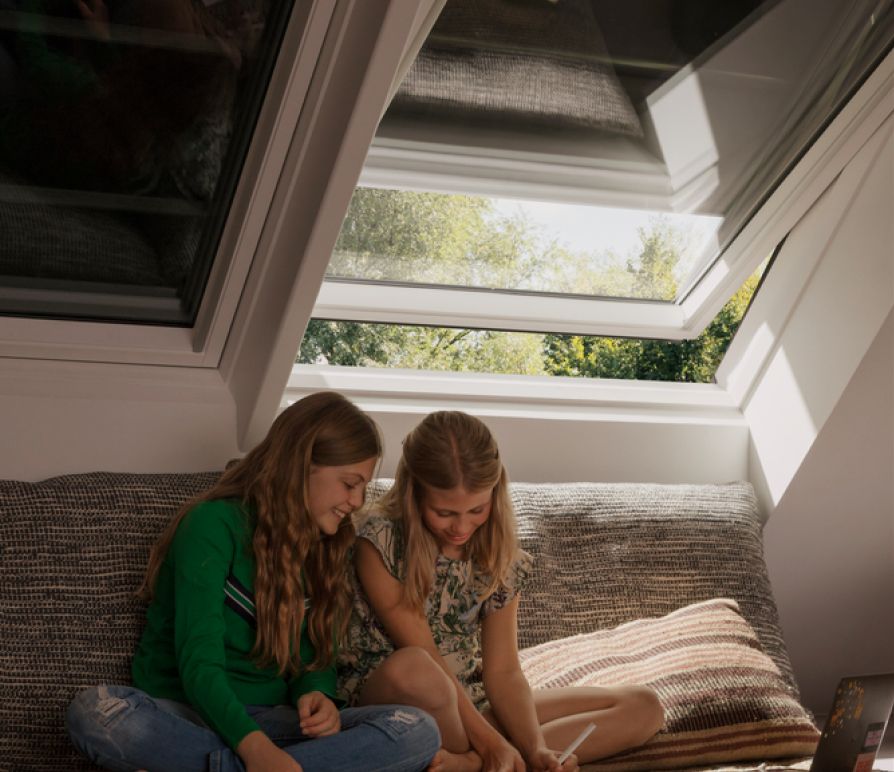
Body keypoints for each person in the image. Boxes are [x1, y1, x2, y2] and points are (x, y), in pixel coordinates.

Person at [66, 391, 441, 772]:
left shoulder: (326, 544)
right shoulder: (211, 526)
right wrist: (255, 750)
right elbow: (199, 665)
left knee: (418, 730)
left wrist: (316, 695)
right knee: (98, 711)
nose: (358, 500)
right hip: (189, 715)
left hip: (274, 721)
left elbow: (314, 658)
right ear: (300, 467)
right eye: (349, 483)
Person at [339, 411, 665, 772]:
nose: (462, 527)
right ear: (414, 493)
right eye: (445, 512)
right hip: (394, 703)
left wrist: (536, 746)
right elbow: (425, 655)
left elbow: (504, 672)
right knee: (415, 670)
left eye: (477, 509)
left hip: (467, 707)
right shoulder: (379, 542)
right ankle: (485, 757)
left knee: (643, 706)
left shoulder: (500, 557)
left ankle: (476, 763)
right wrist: (493, 741)